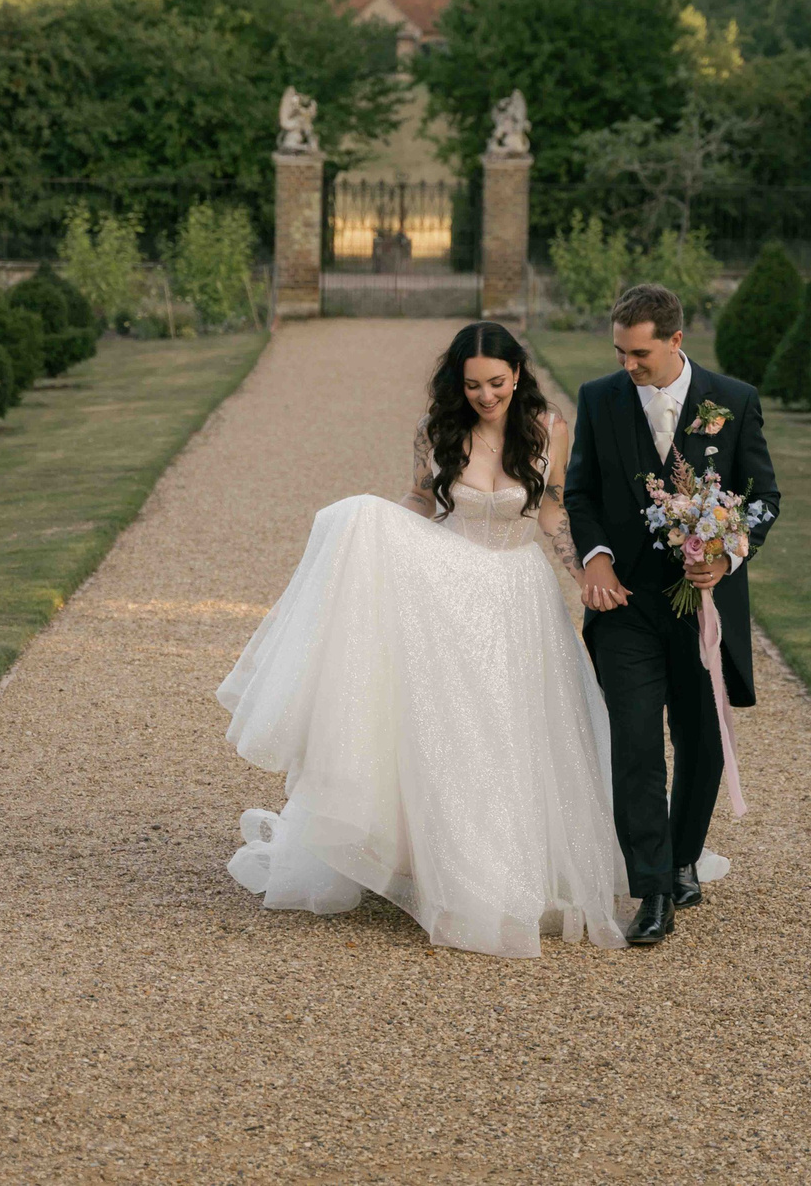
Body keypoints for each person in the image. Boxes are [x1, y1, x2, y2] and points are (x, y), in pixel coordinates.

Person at [217, 321, 629, 956]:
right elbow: (417, 500)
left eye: (496, 383)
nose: (486, 397)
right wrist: (374, 543)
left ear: (517, 375)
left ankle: (518, 866)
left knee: (517, 729)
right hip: (450, 588)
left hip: (520, 595)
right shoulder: (437, 429)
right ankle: (435, 861)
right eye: (472, 386)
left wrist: (586, 573)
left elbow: (552, 511)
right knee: (453, 727)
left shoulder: (549, 426)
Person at [565, 283, 779, 946]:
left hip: (702, 605)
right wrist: (595, 556)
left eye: (641, 354)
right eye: (621, 352)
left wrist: (726, 556)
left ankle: (683, 855)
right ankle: (653, 888)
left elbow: (763, 498)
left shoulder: (732, 401)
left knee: (703, 742)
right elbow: (579, 491)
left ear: (676, 341)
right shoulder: (599, 398)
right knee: (635, 744)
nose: (629, 366)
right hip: (626, 604)